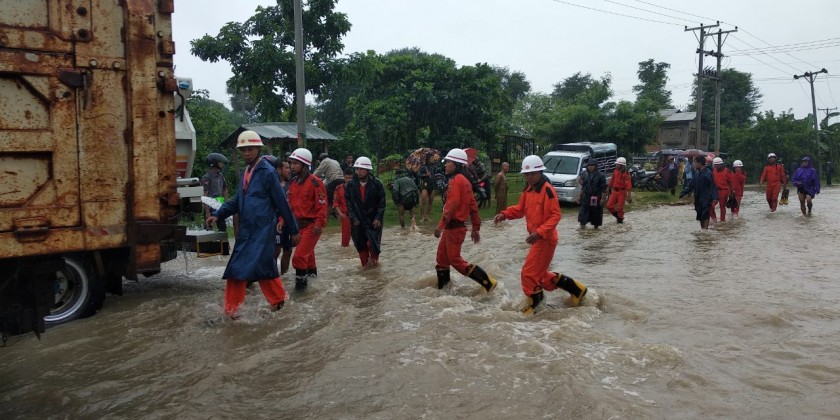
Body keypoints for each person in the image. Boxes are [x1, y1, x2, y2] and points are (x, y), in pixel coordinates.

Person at [206, 131, 300, 318]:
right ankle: (280, 303)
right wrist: (218, 214)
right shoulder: (246, 172)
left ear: (258, 149)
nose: (246, 153)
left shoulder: (268, 172)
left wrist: (293, 229)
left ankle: (231, 313)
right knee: (263, 268)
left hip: (263, 231)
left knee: (237, 269)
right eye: (243, 150)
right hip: (247, 230)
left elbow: (282, 202)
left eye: (250, 149)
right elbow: (237, 200)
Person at [495, 155, 588, 315]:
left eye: (533, 173)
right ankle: (577, 290)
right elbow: (520, 209)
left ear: (540, 172)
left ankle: (536, 303)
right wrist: (505, 214)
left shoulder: (547, 190)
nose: (529, 177)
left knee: (528, 273)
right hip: (538, 238)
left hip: (545, 238)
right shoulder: (528, 190)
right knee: (541, 276)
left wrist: (539, 232)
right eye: (527, 174)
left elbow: (555, 216)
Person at [434, 148, 497, 292]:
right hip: (454, 228)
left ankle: (488, 282)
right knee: (442, 259)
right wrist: (476, 228)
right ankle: (444, 290)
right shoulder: (465, 181)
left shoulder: (457, 181)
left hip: (454, 228)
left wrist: (440, 225)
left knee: (455, 260)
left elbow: (451, 205)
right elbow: (473, 207)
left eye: (448, 162)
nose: (445, 165)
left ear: (457, 165)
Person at [287, 148, 328, 290]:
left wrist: (319, 224)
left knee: (298, 257)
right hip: (298, 226)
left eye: (295, 163)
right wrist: (282, 221)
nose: (292, 166)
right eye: (291, 163)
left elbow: (322, 206)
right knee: (308, 257)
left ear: (305, 165)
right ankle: (313, 285)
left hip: (311, 226)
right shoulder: (293, 182)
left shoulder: (316, 183)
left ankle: (301, 290)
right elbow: (290, 206)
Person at [345, 157, 387, 267]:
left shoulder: (377, 184)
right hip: (357, 220)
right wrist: (354, 218)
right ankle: (365, 268)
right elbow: (349, 204)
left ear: (367, 170)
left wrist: (378, 218)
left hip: (373, 220)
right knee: (360, 246)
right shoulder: (351, 185)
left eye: (361, 169)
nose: (358, 171)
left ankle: (375, 268)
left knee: (373, 244)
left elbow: (382, 203)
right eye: (357, 169)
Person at [680, 156, 718, 230]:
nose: (694, 164)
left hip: (706, 198)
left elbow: (712, 186)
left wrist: (715, 197)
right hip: (698, 198)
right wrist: (683, 193)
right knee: (700, 215)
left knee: (705, 214)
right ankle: (703, 229)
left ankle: (705, 230)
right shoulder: (697, 174)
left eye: (695, 162)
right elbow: (691, 185)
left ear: (700, 163)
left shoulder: (708, 173)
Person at [274, 159, 295, 275]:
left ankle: (284, 276)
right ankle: (272, 277)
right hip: (275, 222)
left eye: (289, 167)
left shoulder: (291, 184)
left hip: (288, 221)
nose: (289, 170)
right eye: (286, 168)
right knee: (276, 250)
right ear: (278, 169)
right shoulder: (273, 185)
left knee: (288, 250)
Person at [201, 152, 229, 231]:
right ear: (214, 163)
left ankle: (222, 239)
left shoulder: (221, 176)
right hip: (210, 206)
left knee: (222, 227)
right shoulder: (207, 177)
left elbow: (225, 189)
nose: (222, 164)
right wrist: (207, 212)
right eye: (220, 163)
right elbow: (204, 195)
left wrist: (226, 203)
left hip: (219, 205)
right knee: (208, 226)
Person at [578, 160, 607, 229]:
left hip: (596, 198)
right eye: (589, 165)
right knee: (583, 215)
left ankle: (595, 230)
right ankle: (582, 228)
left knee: (596, 215)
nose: (590, 167)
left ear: (596, 166)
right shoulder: (585, 175)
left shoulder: (601, 176)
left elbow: (603, 189)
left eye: (592, 165)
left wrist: (603, 199)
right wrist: (579, 196)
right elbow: (583, 187)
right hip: (586, 197)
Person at [606, 157, 633, 224]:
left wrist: (629, 196)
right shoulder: (615, 171)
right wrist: (608, 188)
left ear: (622, 165)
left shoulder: (626, 174)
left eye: (617, 164)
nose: (616, 165)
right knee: (609, 206)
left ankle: (620, 220)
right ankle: (619, 217)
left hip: (622, 192)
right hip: (614, 191)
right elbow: (612, 181)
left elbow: (628, 185)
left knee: (620, 208)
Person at [333, 168, 353, 247]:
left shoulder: (357, 187)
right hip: (345, 215)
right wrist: (340, 213)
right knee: (345, 239)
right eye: (346, 178)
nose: (348, 180)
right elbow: (335, 203)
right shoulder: (338, 188)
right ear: (343, 177)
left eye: (350, 178)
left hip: (357, 215)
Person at [710, 157, 734, 222]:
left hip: (724, 191)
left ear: (721, 164)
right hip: (715, 191)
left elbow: (731, 183)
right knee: (710, 205)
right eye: (715, 165)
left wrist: (732, 192)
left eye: (717, 165)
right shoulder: (714, 171)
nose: (716, 166)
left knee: (722, 206)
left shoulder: (727, 171)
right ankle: (714, 218)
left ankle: (722, 220)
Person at [418, 155, 437, 222]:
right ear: (428, 159)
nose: (433, 159)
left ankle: (427, 216)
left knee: (430, 201)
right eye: (431, 158)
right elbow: (418, 175)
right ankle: (422, 216)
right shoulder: (423, 167)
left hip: (432, 185)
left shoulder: (434, 166)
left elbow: (436, 174)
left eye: (433, 158)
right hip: (425, 185)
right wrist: (425, 175)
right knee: (423, 201)